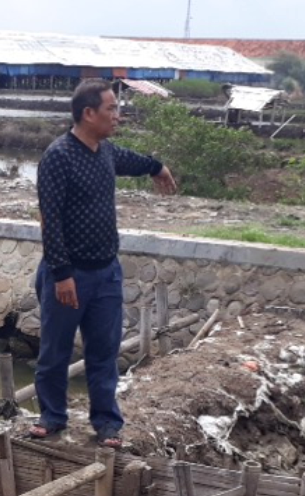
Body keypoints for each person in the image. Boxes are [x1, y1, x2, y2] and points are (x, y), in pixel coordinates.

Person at [32, 79, 177, 448]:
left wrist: (157, 167)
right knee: (55, 351)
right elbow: (50, 219)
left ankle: (107, 424)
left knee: (104, 351)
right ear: (88, 113)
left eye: (117, 108)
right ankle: (52, 417)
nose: (118, 115)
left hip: (106, 273)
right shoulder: (58, 157)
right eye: (111, 109)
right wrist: (62, 274)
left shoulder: (106, 152)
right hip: (69, 274)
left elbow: (133, 160)